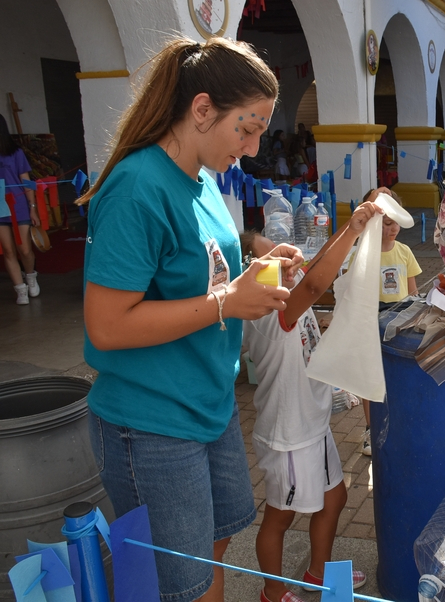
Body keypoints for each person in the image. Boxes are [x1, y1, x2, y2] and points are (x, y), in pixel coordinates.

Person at [79, 37, 304, 602]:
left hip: (207, 402)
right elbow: (107, 326)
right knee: (182, 580)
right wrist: (229, 303)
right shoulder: (137, 187)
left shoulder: (201, 178)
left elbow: (198, 272)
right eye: (246, 128)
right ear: (202, 110)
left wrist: (257, 266)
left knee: (212, 548)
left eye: (260, 131)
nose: (253, 148)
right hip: (151, 419)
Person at [242, 200, 379, 602]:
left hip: (312, 425)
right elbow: (315, 285)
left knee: (334, 498)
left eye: (282, 255)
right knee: (279, 517)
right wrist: (351, 230)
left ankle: (318, 574)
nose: (284, 267)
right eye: (269, 263)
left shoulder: (286, 293)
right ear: (249, 275)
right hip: (288, 434)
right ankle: (273, 590)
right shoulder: (266, 311)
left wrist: (351, 225)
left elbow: (315, 269)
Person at [355, 187, 421, 455]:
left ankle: (398, 426)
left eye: (396, 222)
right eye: (385, 223)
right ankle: (372, 429)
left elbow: (414, 292)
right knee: (370, 378)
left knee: (396, 376)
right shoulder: (362, 252)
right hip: (370, 318)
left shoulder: (404, 252)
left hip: (400, 320)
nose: (392, 229)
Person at [0, 114, 41, 305]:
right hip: (0, 209)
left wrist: (33, 208)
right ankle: (20, 290)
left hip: (19, 206)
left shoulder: (15, 152)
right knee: (8, 251)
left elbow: (27, 182)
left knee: (24, 249)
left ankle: (30, 276)